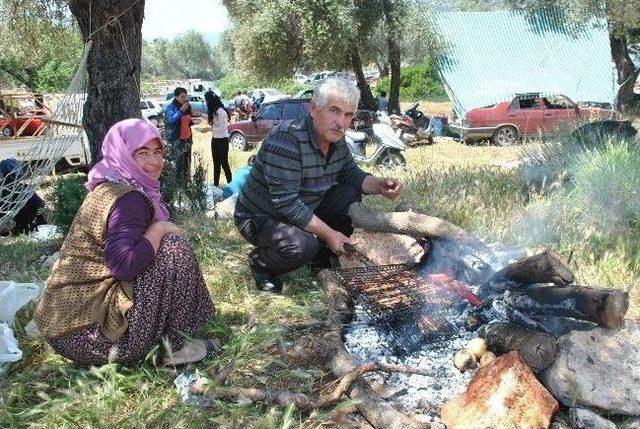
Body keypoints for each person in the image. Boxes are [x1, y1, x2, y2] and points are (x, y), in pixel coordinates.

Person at [35, 119, 218, 367]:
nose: (154, 162)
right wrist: (159, 228)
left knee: (163, 246)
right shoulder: (129, 199)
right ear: (122, 153)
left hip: (66, 329)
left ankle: (167, 340)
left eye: (158, 152)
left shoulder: (110, 184)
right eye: (142, 153)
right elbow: (123, 265)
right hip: (89, 336)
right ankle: (176, 349)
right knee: (174, 247)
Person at [234, 78, 403, 293]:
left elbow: (351, 175)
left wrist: (379, 185)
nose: (341, 122)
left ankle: (321, 259)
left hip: (303, 207)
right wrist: (329, 234)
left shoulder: (337, 140)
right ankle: (261, 263)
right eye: (334, 110)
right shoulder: (286, 139)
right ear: (313, 108)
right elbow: (287, 203)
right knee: (303, 246)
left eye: (348, 114)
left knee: (348, 193)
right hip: (261, 217)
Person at [0, 158, 47, 236]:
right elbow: (40, 206)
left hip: (19, 228)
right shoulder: (25, 189)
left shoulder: (4, 192)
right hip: (31, 227)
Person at [164, 87, 194, 185]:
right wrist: (181, 111)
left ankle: (186, 184)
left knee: (187, 163)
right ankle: (178, 187)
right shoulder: (171, 108)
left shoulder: (186, 106)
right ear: (176, 97)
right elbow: (171, 120)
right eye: (182, 97)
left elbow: (186, 121)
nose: (184, 99)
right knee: (178, 165)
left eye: (185, 96)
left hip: (187, 139)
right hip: (177, 140)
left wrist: (192, 121)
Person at [207, 92, 233, 187]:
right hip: (215, 140)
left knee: (224, 163)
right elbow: (214, 122)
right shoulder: (214, 111)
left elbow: (223, 128)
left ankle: (231, 184)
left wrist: (211, 128)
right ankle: (216, 185)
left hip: (222, 140)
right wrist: (200, 115)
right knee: (216, 164)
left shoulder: (221, 112)